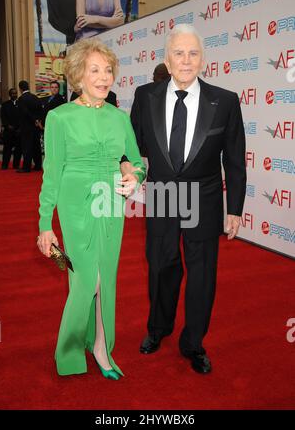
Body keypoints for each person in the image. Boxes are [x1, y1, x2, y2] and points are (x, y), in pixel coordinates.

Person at [130, 24, 246, 374]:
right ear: (167, 59)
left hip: (205, 198)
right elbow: (132, 149)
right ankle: (158, 328)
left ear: (203, 60)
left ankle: (193, 342)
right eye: (178, 53)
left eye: (193, 53)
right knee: (161, 267)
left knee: (202, 275)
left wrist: (235, 210)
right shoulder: (145, 95)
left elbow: (235, 160)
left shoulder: (224, 101)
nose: (186, 60)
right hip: (163, 194)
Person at [37, 38, 146, 378]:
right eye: (94, 70)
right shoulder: (60, 117)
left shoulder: (119, 117)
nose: (103, 77)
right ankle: (69, 350)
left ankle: (100, 344)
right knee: (87, 279)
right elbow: (52, 174)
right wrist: (45, 224)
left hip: (111, 202)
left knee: (106, 277)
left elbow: (136, 161)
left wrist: (134, 177)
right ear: (78, 76)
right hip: (75, 205)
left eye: (108, 70)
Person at [17, 81, 43, 173]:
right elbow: (41, 110)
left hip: (26, 127)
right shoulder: (35, 97)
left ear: (20, 88)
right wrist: (38, 120)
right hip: (35, 127)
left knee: (27, 147)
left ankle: (26, 167)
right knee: (36, 146)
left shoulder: (21, 99)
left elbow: (25, 112)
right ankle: (38, 165)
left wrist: (34, 120)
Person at [1, 88, 22, 170]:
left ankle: (16, 165)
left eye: (16, 93)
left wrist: (20, 128)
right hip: (8, 131)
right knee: (7, 149)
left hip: (18, 131)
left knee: (18, 149)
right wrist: (8, 126)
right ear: (9, 95)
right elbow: (3, 117)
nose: (15, 95)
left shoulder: (20, 104)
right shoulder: (5, 105)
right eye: (13, 93)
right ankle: (4, 165)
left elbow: (22, 117)